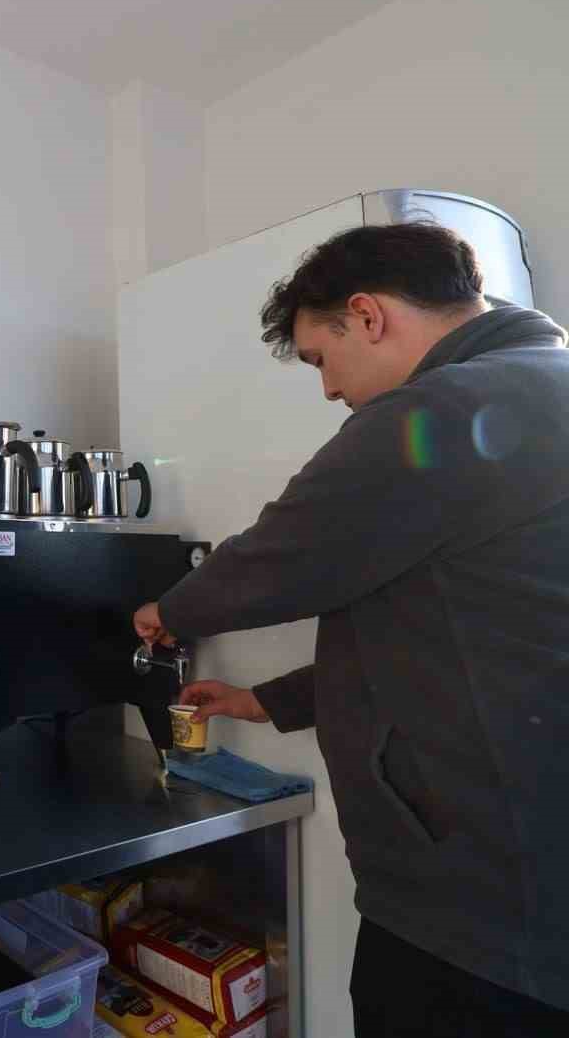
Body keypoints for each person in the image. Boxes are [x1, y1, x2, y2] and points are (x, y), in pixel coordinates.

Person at [131, 222, 569, 1035]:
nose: (330, 389)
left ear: (367, 315)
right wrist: (263, 702)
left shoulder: (450, 404)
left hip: (481, 912)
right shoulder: (543, 384)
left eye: (320, 360)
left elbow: (290, 549)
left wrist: (170, 610)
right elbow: (465, 634)